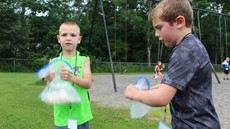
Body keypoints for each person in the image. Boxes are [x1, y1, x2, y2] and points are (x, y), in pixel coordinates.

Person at [125, 0, 221, 128]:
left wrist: (136, 94)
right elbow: (168, 87)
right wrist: (146, 90)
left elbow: (162, 97)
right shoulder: (190, 46)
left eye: (159, 27)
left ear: (179, 22)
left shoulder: (185, 51)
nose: (156, 34)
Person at [46, 21, 93, 129]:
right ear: (59, 39)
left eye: (73, 35)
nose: (68, 38)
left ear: (79, 39)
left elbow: (88, 83)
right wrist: (51, 80)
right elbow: (49, 92)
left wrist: (71, 77)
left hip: (81, 115)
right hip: (61, 116)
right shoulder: (53, 61)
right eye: (64, 35)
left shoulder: (84, 59)